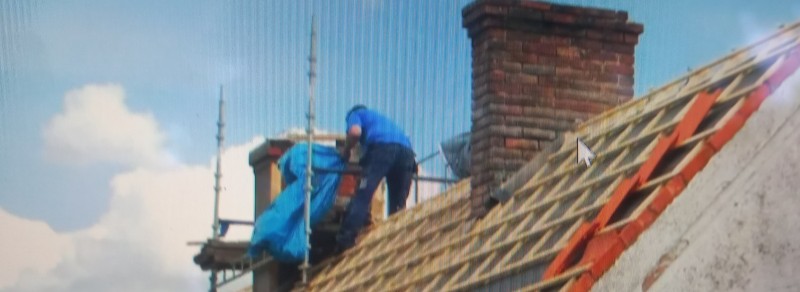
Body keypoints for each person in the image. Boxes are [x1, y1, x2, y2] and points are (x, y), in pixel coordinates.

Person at [336, 105, 416, 252]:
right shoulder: (382, 121)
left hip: (383, 150)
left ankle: (345, 240)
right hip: (408, 154)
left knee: (363, 196)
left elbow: (354, 132)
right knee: (398, 205)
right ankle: (397, 242)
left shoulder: (356, 114)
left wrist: (346, 151)